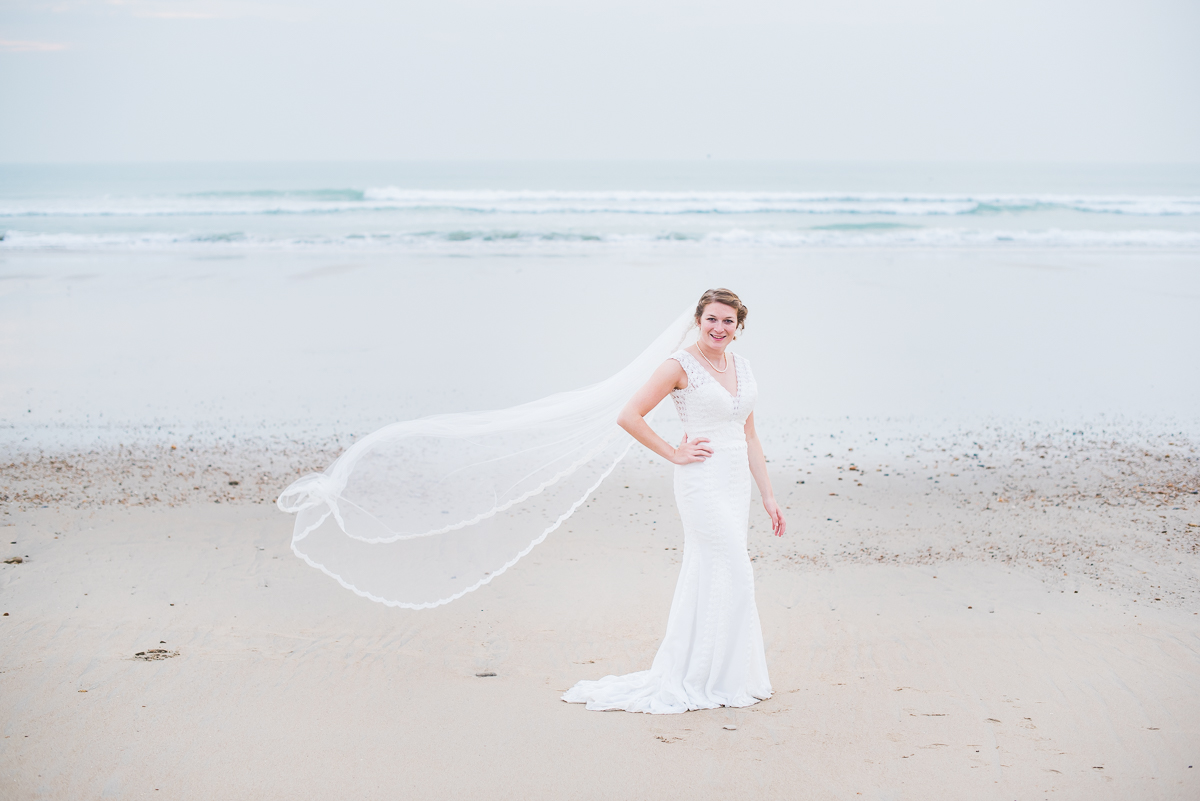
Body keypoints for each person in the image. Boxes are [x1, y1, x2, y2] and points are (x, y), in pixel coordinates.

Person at [563, 288, 785, 714]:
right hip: (700, 481)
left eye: (727, 321)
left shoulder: (743, 366)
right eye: (711, 319)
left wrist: (769, 497)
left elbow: (750, 435)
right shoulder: (678, 365)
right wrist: (673, 452)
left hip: (736, 481)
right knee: (737, 569)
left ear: (739, 327)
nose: (719, 328)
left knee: (713, 572)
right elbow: (629, 415)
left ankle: (724, 674)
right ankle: (707, 677)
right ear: (697, 321)